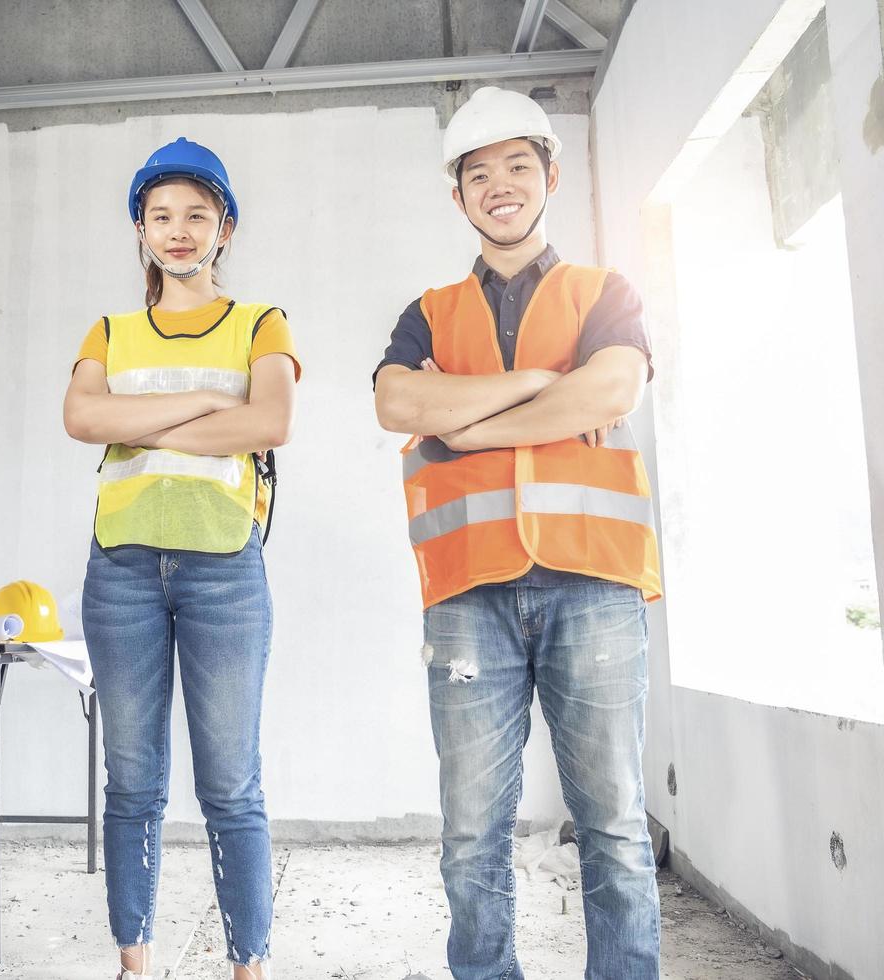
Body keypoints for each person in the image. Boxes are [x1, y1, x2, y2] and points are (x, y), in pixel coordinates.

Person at [373, 87, 663, 980]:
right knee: (471, 835)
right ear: (456, 196)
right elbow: (398, 401)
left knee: (612, 823)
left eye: (518, 167)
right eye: (479, 174)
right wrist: (543, 383)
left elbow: (612, 390)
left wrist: (468, 423)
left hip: (594, 586)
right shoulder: (429, 311)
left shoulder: (604, 291)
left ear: (551, 176)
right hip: (469, 591)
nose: (500, 187)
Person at [62, 138, 299, 980]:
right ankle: (135, 961)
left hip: (223, 568)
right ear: (140, 227)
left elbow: (269, 422)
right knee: (132, 782)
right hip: (121, 568)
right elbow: (83, 420)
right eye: (161, 216)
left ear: (224, 226)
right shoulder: (112, 328)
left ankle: (248, 967)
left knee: (231, 784)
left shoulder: (258, 322)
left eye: (197, 215)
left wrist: (140, 415)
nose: (178, 231)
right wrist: (205, 399)